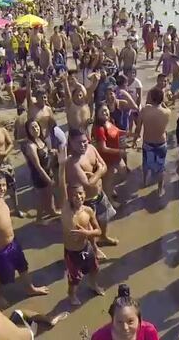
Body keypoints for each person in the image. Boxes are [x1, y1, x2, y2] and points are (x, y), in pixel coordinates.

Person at [0, 158, 48, 298]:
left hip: (12, 243)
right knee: (4, 276)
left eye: (4, 185)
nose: (2, 188)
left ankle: (30, 288)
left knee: (23, 267)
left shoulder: (1, 199)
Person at [56, 147, 105, 305]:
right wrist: (62, 165)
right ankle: (71, 295)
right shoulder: (65, 208)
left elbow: (98, 231)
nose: (79, 196)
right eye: (75, 194)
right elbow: (61, 184)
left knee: (95, 269)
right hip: (72, 252)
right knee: (74, 279)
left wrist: (87, 234)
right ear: (70, 196)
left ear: (85, 194)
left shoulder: (88, 211)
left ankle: (93, 284)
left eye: (81, 194)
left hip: (86, 248)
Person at [67, 128, 118, 258]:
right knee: (90, 228)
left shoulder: (91, 148)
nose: (83, 145)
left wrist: (97, 173)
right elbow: (88, 184)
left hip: (100, 194)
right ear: (71, 143)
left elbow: (104, 165)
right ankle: (94, 249)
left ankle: (104, 237)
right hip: (86, 201)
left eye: (84, 141)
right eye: (79, 143)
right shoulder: (73, 162)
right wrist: (99, 171)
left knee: (105, 218)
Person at [134, 88, 171, 197]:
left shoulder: (144, 110)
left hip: (148, 143)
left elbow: (138, 128)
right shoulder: (167, 112)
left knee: (146, 165)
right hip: (161, 143)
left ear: (151, 98)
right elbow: (165, 107)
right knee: (161, 167)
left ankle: (145, 181)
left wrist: (135, 140)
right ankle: (160, 189)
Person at [91, 284, 159, 340]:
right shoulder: (99, 337)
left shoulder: (149, 332)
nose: (125, 327)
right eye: (119, 322)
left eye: (130, 321)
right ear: (112, 321)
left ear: (139, 320)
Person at [22, 119, 58, 224]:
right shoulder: (31, 146)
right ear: (28, 131)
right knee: (42, 198)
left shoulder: (41, 140)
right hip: (39, 176)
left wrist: (52, 154)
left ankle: (52, 211)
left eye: (36, 127)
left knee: (50, 193)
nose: (35, 129)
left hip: (47, 171)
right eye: (32, 128)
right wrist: (48, 180)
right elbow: (37, 166)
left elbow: (47, 157)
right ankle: (39, 219)